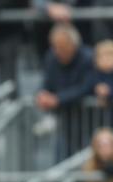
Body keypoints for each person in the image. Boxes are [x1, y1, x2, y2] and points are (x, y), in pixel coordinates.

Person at [35, 24, 94, 161]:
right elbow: (46, 83)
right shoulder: (51, 58)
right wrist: (42, 95)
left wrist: (58, 99)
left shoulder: (87, 58)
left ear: (74, 44)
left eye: (62, 47)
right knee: (61, 162)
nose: (58, 51)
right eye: (55, 47)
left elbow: (86, 88)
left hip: (88, 121)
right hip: (64, 122)